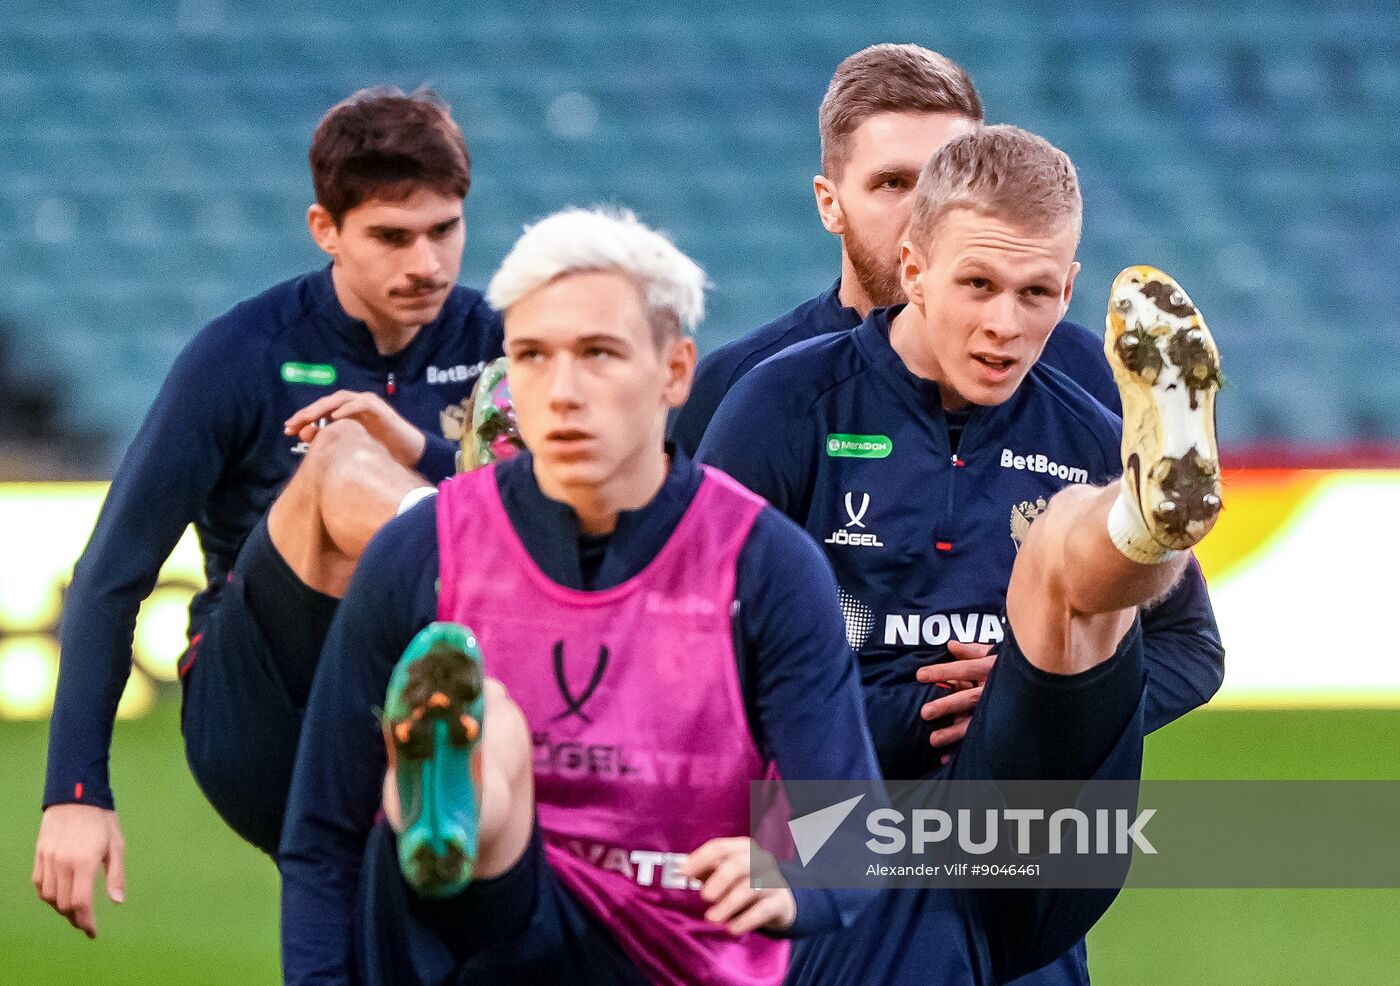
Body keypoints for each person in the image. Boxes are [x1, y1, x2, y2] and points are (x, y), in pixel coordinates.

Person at [278, 207, 887, 985]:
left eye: (598, 354)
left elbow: (850, 834)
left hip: (671, 957)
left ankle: (455, 794)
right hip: (485, 936)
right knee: (481, 719)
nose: (562, 391)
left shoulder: (765, 565)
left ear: (674, 371)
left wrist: (790, 873)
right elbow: (323, 834)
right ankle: (456, 806)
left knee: (476, 720)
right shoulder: (421, 550)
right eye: (532, 356)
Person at [698, 125, 1225, 983]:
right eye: (977, 284)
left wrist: (1028, 700)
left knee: (1072, 554)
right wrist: (909, 716)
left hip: (1012, 833)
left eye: (1037, 293)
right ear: (912, 270)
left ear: (1071, 289)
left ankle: (1141, 528)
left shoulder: (1084, 429)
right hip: (833, 820)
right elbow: (699, 653)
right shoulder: (786, 405)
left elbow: (1190, 651)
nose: (1005, 325)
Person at [34, 86, 503, 939]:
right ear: (325, 229)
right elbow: (111, 574)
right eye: (392, 237)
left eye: (445, 230)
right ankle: (482, 612)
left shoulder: (499, 347)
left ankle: (447, 703)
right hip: (261, 710)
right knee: (340, 455)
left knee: (407, 939)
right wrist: (75, 793)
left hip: (408, 707)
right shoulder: (242, 354)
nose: (426, 264)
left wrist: (423, 448)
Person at [671, 43, 1116, 458]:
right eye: (894, 183)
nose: (927, 210)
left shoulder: (1085, 373)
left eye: (953, 182)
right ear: (830, 204)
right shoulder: (740, 385)